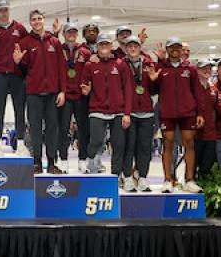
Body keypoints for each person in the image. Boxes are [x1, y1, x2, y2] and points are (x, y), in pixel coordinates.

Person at [14, 10, 67, 173]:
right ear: (30, 22)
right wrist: (18, 62)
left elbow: (62, 68)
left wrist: (62, 91)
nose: (37, 21)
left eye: (39, 18)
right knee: (35, 129)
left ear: (44, 20)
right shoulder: (25, 43)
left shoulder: (55, 42)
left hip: (52, 93)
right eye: (33, 19)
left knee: (52, 129)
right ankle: (36, 162)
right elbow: (22, 72)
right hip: (34, 93)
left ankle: (51, 162)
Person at [151, 37, 205, 193]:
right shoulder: (160, 67)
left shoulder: (190, 68)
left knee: (189, 144)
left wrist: (200, 113)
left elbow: (197, 91)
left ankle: (189, 180)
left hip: (187, 113)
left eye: (178, 47)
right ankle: (168, 180)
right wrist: (153, 80)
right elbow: (153, 90)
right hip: (167, 113)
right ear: (167, 49)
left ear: (182, 49)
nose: (175, 49)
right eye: (171, 47)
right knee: (168, 144)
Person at [80, 34, 132, 176]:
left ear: (111, 46)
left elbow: (127, 89)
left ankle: (116, 174)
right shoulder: (90, 65)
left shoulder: (120, 64)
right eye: (101, 44)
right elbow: (84, 84)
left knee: (118, 145)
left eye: (106, 44)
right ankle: (91, 161)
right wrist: (86, 90)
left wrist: (127, 113)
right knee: (96, 140)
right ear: (97, 46)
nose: (104, 46)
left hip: (118, 111)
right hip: (97, 109)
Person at [0, 0, 29, 155]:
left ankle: (21, 143)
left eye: (6, 9)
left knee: (19, 109)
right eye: (1, 10)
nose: (3, 12)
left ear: (9, 10)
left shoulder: (20, 29)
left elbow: (27, 50)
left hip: (17, 75)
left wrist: (22, 64)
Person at [121, 37, 156, 191]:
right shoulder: (121, 64)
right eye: (130, 46)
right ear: (126, 48)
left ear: (140, 48)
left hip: (147, 113)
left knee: (145, 148)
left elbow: (155, 90)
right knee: (128, 146)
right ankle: (127, 177)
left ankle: (142, 177)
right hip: (129, 113)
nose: (133, 48)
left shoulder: (148, 64)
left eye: (136, 46)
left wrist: (154, 80)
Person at [60, 22, 91, 172]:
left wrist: (89, 87)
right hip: (65, 95)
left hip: (81, 96)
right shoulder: (59, 50)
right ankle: (63, 160)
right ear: (64, 34)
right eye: (68, 32)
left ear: (77, 34)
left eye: (74, 31)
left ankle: (83, 160)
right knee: (62, 129)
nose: (71, 34)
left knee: (83, 130)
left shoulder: (85, 52)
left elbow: (91, 72)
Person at [194, 59, 218, 178]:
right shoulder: (191, 87)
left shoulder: (214, 89)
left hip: (211, 133)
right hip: (195, 132)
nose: (207, 70)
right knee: (193, 162)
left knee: (208, 163)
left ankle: (205, 184)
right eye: (204, 68)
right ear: (197, 70)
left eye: (209, 68)